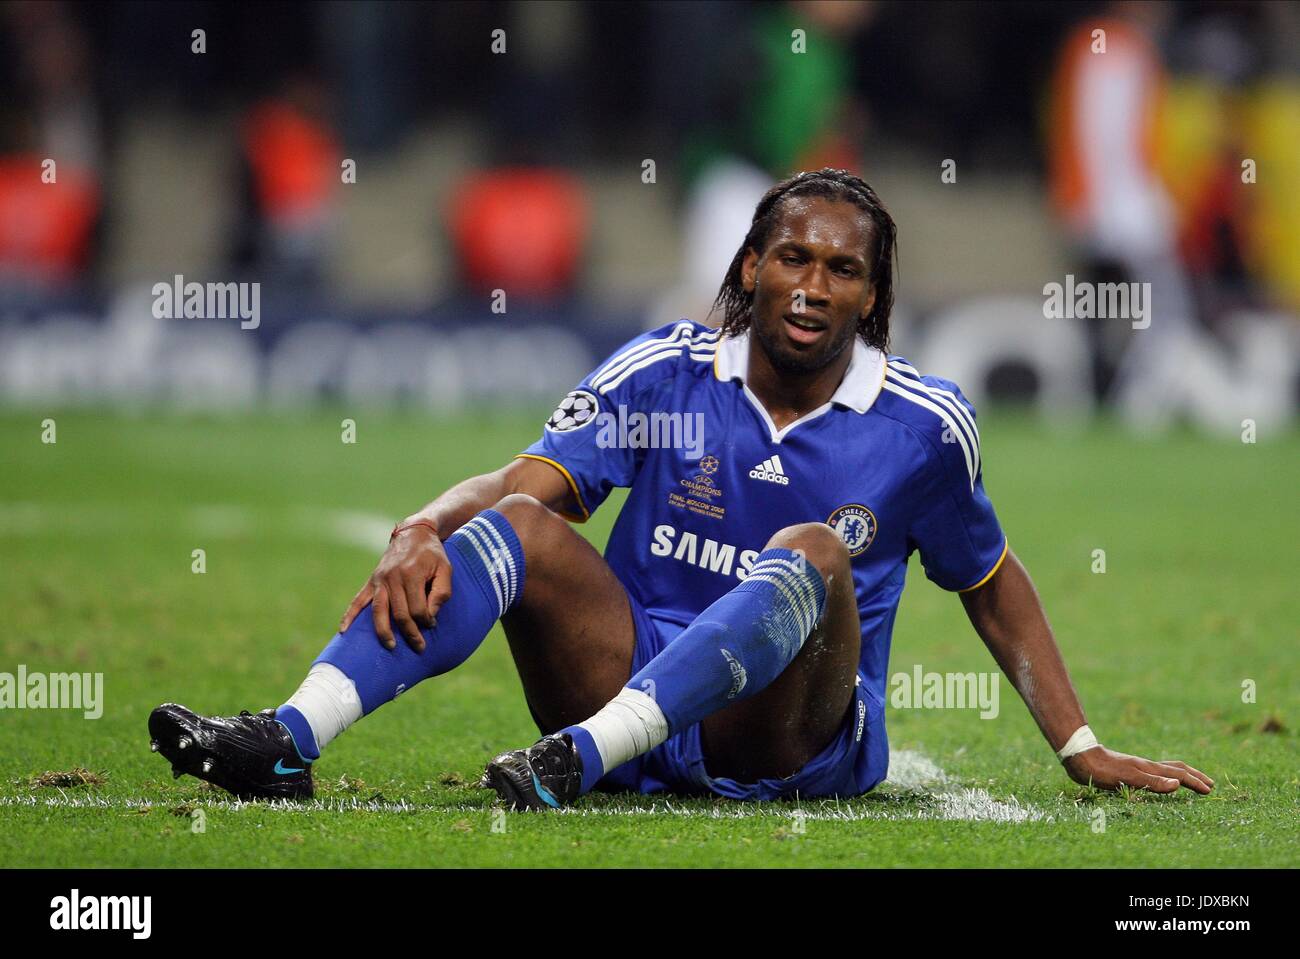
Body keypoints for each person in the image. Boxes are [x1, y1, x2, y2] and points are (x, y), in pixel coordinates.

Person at [149, 169, 1213, 808]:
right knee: (511, 522)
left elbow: (987, 577)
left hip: (788, 734)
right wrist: (422, 523)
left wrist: (1080, 747)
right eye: (792, 258)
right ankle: (288, 739)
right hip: (624, 677)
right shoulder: (663, 367)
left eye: (842, 269)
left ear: (873, 294)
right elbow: (525, 489)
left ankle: (582, 759)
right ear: (750, 267)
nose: (813, 285)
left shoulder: (922, 429)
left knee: (814, 550)